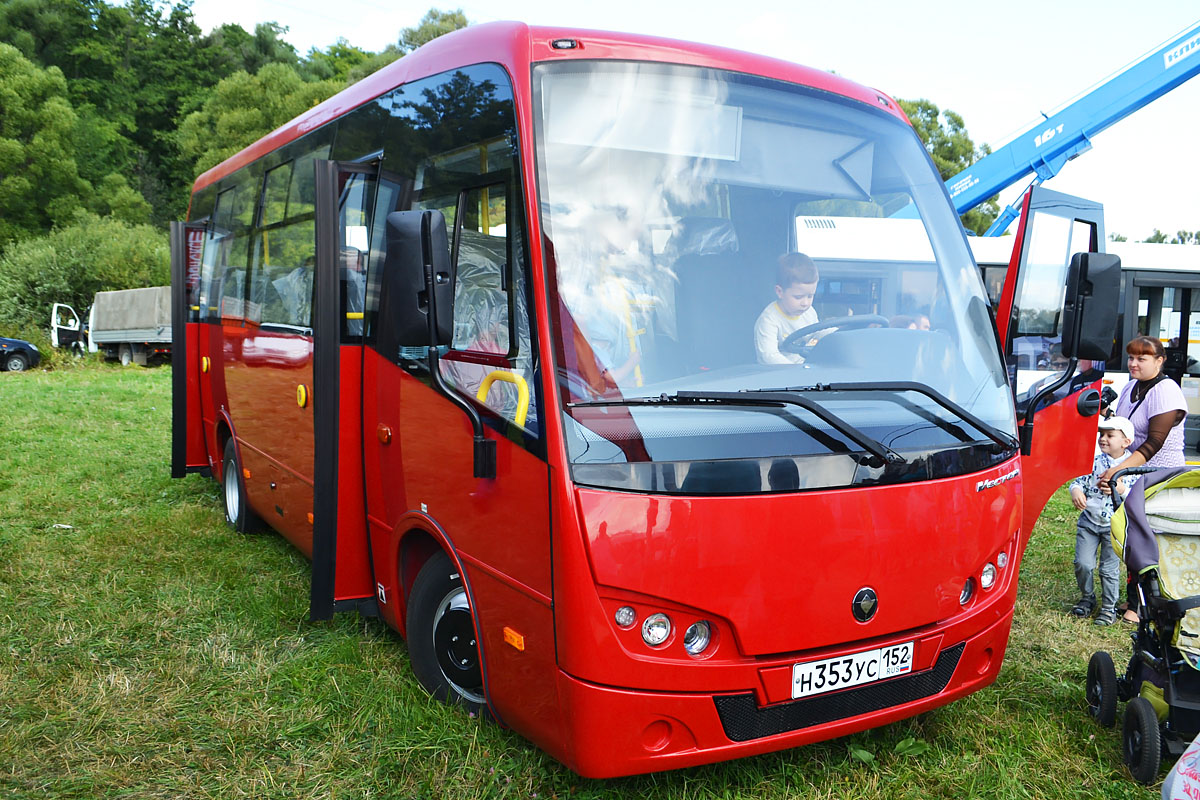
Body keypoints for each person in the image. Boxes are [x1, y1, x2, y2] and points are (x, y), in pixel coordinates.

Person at [1099, 335, 1189, 623]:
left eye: (1142, 358)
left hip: (1159, 477)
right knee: (1130, 537)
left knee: (1149, 542)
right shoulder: (1129, 388)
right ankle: (1134, 600)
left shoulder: (1167, 390)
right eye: (1131, 358)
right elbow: (1121, 429)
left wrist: (1117, 469)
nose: (1133, 364)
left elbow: (1154, 443)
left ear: (1159, 361)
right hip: (1131, 474)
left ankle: (1143, 606)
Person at [1068, 416, 1135, 626]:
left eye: (1110, 435)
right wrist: (1076, 491)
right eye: (1101, 435)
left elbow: (1136, 497)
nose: (1103, 439)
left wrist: (1121, 489)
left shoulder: (1132, 466)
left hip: (1113, 527)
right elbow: (1078, 481)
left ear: (1126, 442)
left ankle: (1108, 608)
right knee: (1083, 563)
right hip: (1089, 522)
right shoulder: (1095, 462)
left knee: (1109, 569)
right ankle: (1087, 598)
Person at [754, 252, 819, 365]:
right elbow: (769, 356)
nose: (805, 303)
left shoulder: (809, 312)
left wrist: (835, 333)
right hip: (777, 375)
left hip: (804, 367)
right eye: (798, 297)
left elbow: (818, 332)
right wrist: (795, 371)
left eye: (810, 296)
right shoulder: (769, 320)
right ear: (780, 292)